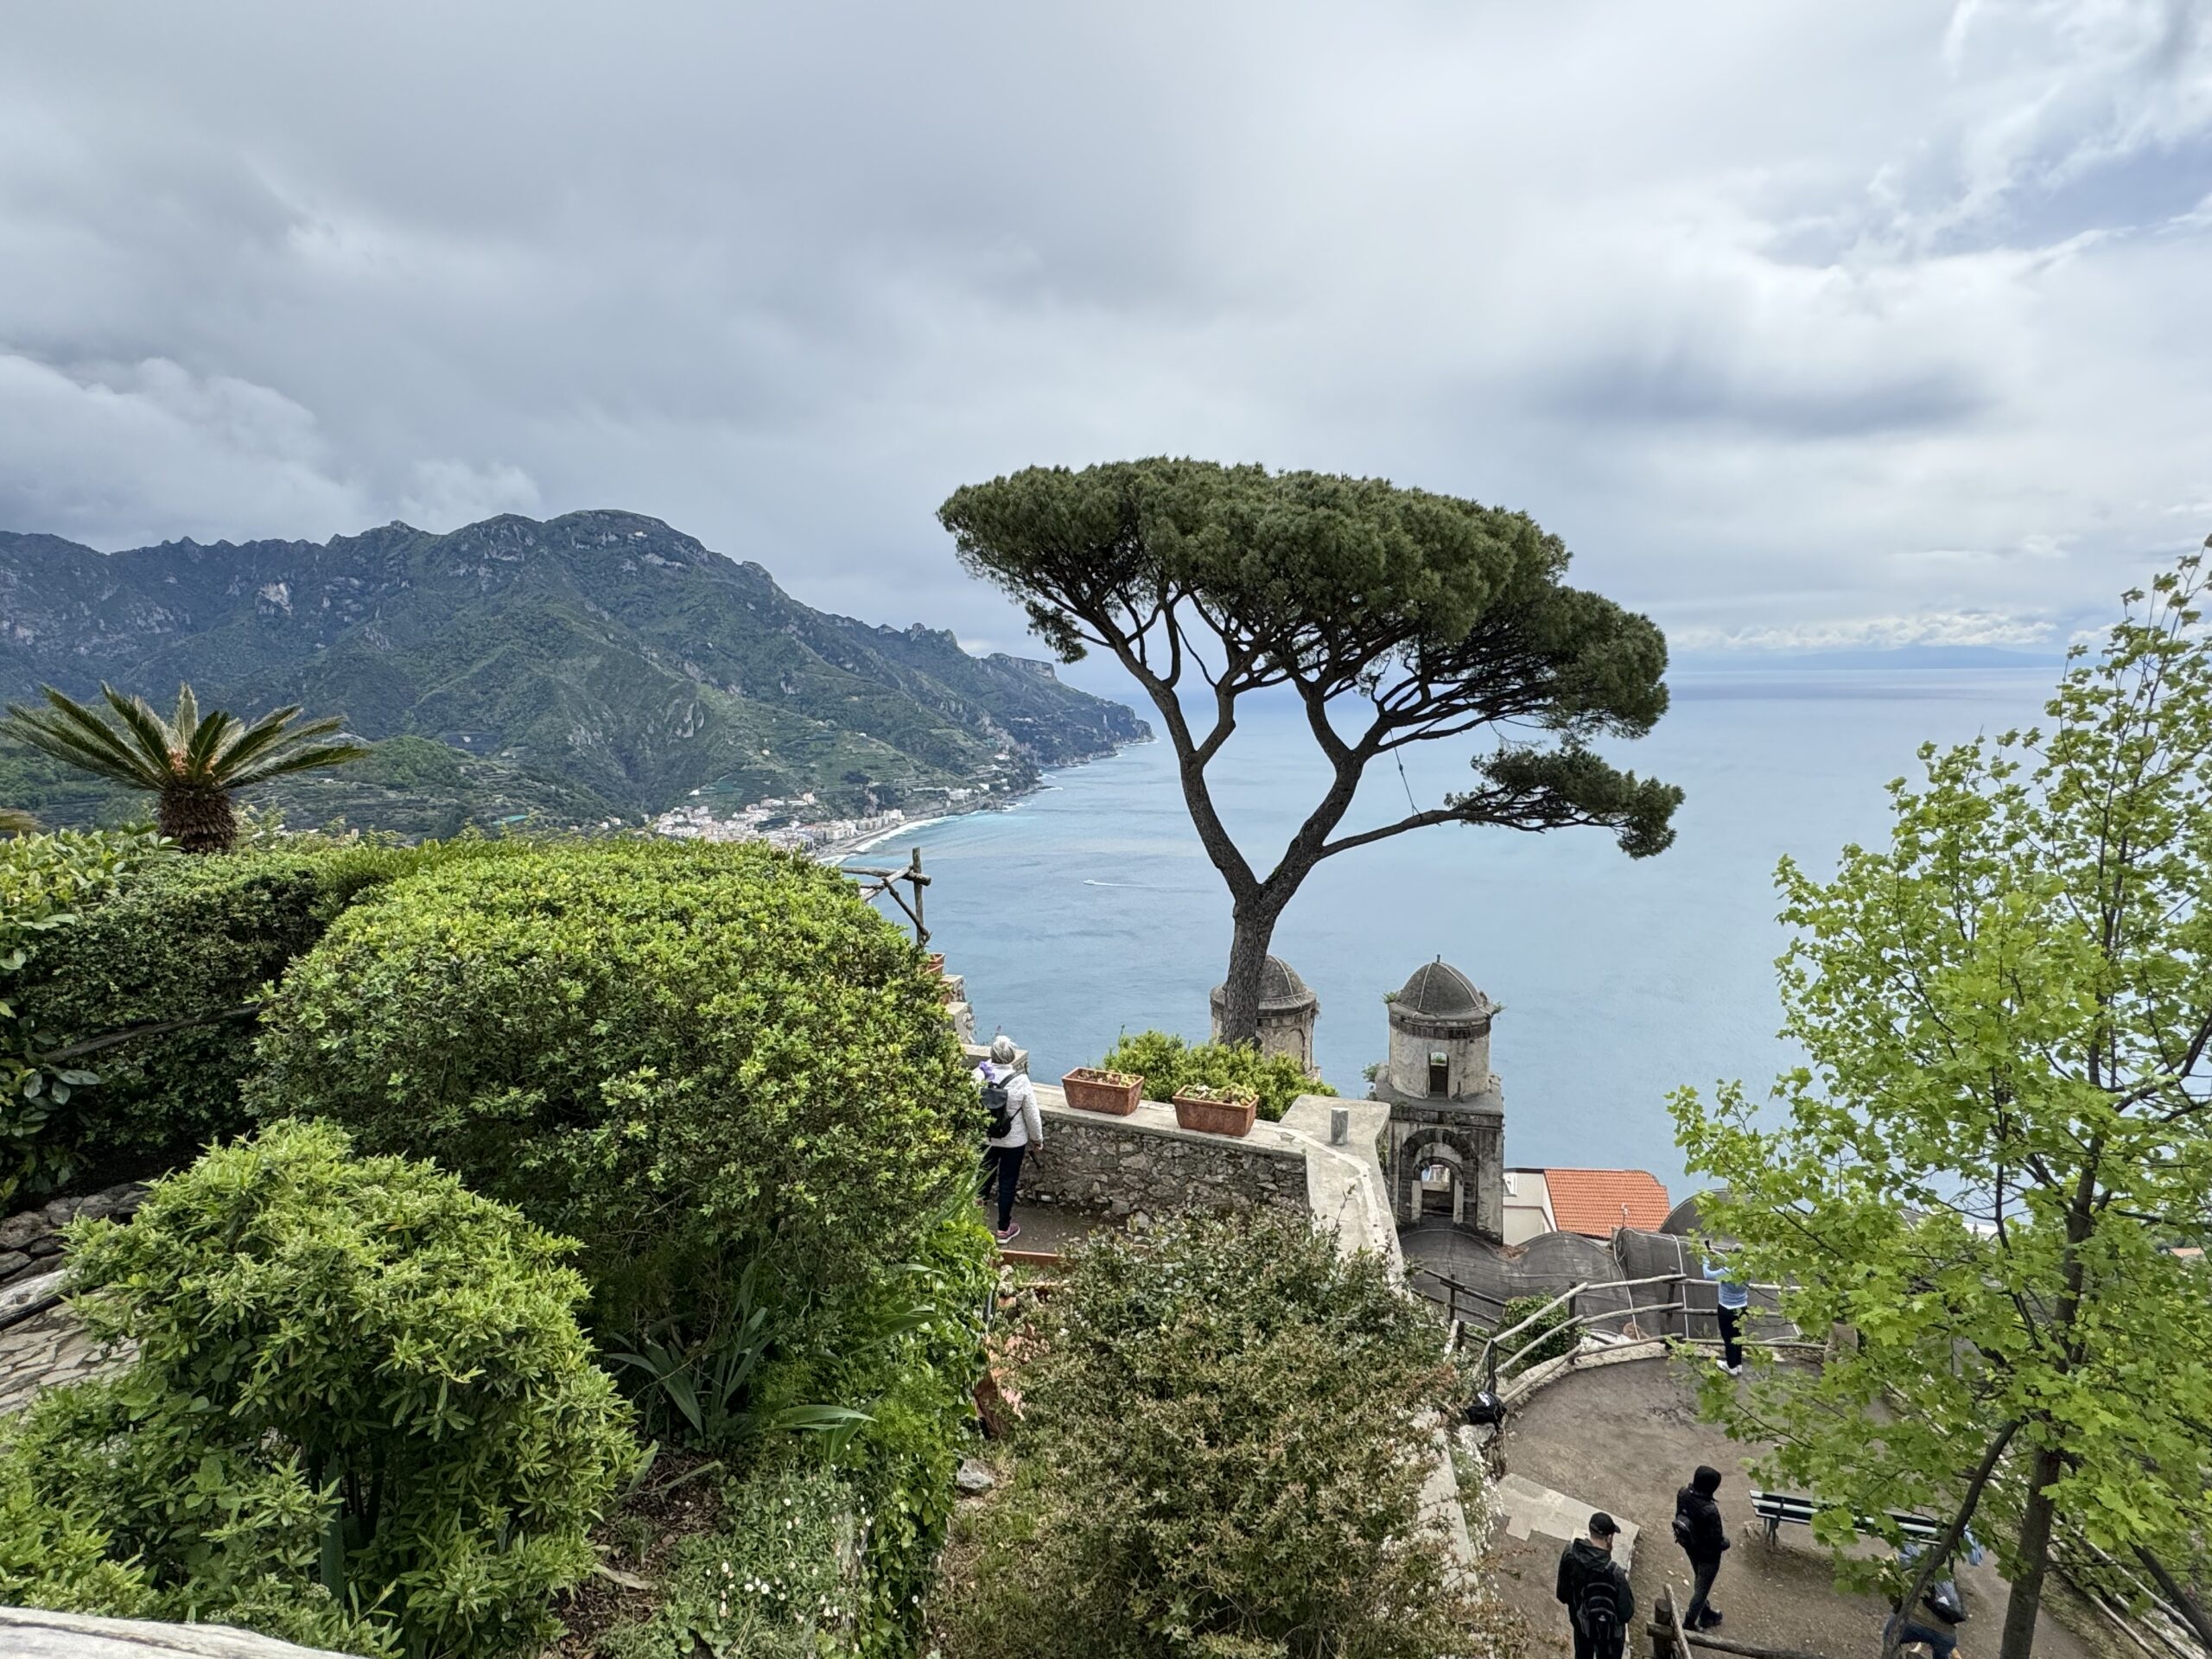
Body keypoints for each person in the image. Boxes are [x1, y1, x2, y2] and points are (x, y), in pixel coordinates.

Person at [976, 1034, 1041, 1243]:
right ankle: (1003, 1230)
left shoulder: (979, 1076)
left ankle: (973, 1223)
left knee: (982, 1180)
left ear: (992, 1056)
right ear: (1012, 1057)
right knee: (1007, 1182)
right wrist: (1037, 1139)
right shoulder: (1021, 1082)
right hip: (1013, 1141)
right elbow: (1032, 1115)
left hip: (986, 1138)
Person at [1555, 1511, 1633, 1659]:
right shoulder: (1615, 1573)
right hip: (1608, 1635)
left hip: (1581, 1625)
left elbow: (1562, 1595)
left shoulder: (1570, 1554)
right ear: (1609, 1538)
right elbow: (1626, 1613)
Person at [1674, 1464, 1731, 1632]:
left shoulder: (1683, 1493)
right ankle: (1690, 1621)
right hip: (1708, 1557)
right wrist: (1726, 1543)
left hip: (1689, 1546)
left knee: (1699, 1580)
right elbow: (1716, 1541)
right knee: (1702, 1588)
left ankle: (1704, 1611)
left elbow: (1679, 1515)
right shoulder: (1710, 1510)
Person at [1704, 1244, 1749, 1374]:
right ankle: (1738, 1364)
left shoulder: (1727, 1271)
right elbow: (1732, 1262)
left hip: (1726, 1308)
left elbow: (1708, 1275)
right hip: (1742, 1307)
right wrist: (1715, 1252)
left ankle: (1731, 1367)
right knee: (1737, 1335)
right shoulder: (1747, 1268)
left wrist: (1705, 1259)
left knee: (1728, 1337)